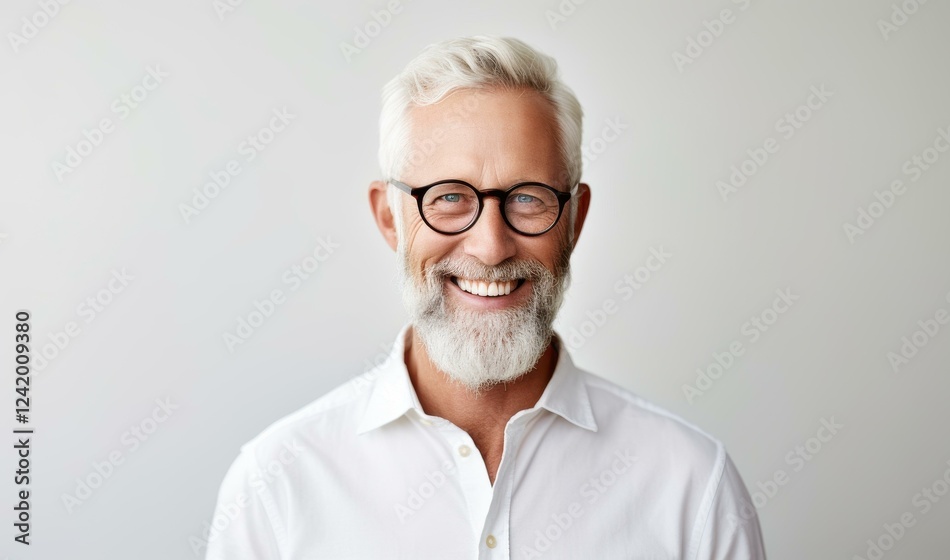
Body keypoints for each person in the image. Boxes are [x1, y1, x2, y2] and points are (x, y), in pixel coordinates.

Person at [205, 35, 766, 559]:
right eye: (449, 197)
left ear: (574, 219)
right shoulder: (277, 485)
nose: (492, 247)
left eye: (527, 198)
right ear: (389, 219)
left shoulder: (693, 486)